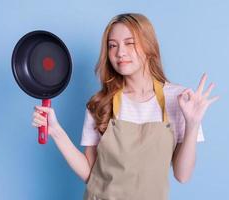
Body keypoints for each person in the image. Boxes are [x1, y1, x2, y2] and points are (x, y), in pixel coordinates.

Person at [32, 13, 219, 200]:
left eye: (129, 43)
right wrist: (56, 130)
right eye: (112, 45)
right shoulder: (101, 103)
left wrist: (192, 124)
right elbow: (90, 174)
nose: (120, 52)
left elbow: (182, 175)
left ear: (149, 45)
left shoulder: (180, 100)